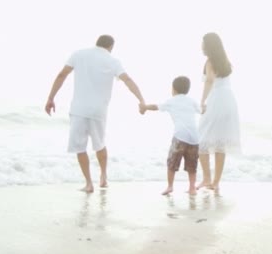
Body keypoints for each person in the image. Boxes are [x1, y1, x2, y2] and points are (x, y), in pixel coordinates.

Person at [45, 35, 145, 193]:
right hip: (99, 110)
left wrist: (51, 98)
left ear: (97, 43)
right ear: (111, 46)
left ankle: (88, 183)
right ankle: (104, 177)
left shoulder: (78, 54)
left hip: (78, 109)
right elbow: (128, 80)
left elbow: (61, 75)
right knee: (100, 144)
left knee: (80, 147)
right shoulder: (113, 61)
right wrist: (141, 100)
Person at [140, 76, 201, 195]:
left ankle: (170, 186)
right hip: (195, 137)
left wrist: (145, 107)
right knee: (192, 164)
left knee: (172, 162)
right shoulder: (192, 101)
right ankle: (192, 187)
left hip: (180, 136)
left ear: (174, 89)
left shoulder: (172, 101)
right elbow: (201, 111)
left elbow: (156, 107)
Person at [196, 33, 241, 192]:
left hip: (216, 100)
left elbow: (209, 80)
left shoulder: (209, 62)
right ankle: (215, 182)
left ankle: (207, 179)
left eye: (202, 43)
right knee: (220, 143)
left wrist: (202, 101)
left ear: (208, 45)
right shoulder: (225, 62)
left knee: (201, 141)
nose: (201, 46)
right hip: (229, 100)